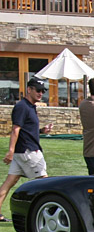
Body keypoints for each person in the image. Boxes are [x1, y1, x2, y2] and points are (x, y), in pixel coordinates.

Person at [1, 78, 53, 222]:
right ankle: (47, 215)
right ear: (29, 89)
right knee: (46, 184)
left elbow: (28, 129)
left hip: (23, 152)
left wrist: (42, 130)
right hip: (28, 152)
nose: (40, 93)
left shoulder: (30, 106)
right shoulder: (22, 107)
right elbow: (15, 130)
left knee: (9, 182)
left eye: (42, 91)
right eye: (38, 90)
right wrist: (10, 151)